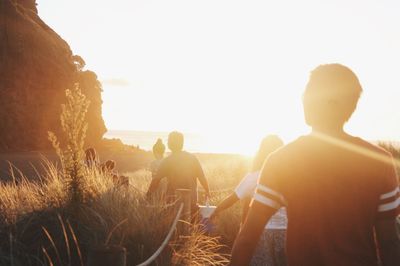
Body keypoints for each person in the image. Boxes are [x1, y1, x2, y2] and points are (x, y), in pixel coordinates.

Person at [230, 64, 400, 266]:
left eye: (309, 93)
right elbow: (389, 242)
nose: (303, 99)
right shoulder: (379, 161)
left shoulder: (283, 160)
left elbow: (247, 239)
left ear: (329, 102)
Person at [210, 135, 286, 265]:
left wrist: (217, 210)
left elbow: (233, 198)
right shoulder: (291, 178)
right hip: (287, 234)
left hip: (263, 233)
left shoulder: (254, 177)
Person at [147, 131, 211, 214]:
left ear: (169, 144)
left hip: (172, 202)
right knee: (190, 225)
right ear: (182, 143)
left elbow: (156, 181)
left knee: (171, 225)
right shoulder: (192, 158)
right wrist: (207, 191)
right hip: (192, 202)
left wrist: (148, 195)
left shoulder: (167, 161)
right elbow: (202, 177)